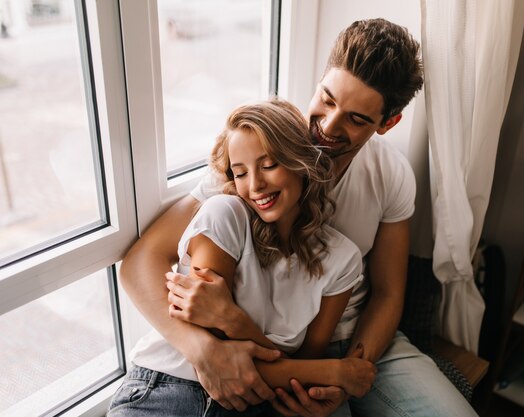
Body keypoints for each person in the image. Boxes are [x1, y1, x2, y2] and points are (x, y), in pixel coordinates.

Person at [120, 18, 479, 417]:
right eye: (327, 99)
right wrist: (201, 348)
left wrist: (345, 375)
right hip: (268, 344)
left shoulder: (391, 176)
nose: (327, 126)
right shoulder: (259, 151)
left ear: (387, 124)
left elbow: (388, 293)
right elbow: (140, 263)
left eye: (357, 119)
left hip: (348, 339)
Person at [109, 99, 376, 416]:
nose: (255, 185)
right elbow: (222, 359)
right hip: (171, 388)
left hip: (256, 402)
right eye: (240, 173)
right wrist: (336, 373)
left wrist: (233, 320)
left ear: (300, 161)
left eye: (268, 165)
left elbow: (299, 367)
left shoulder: (342, 260)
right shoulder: (225, 214)